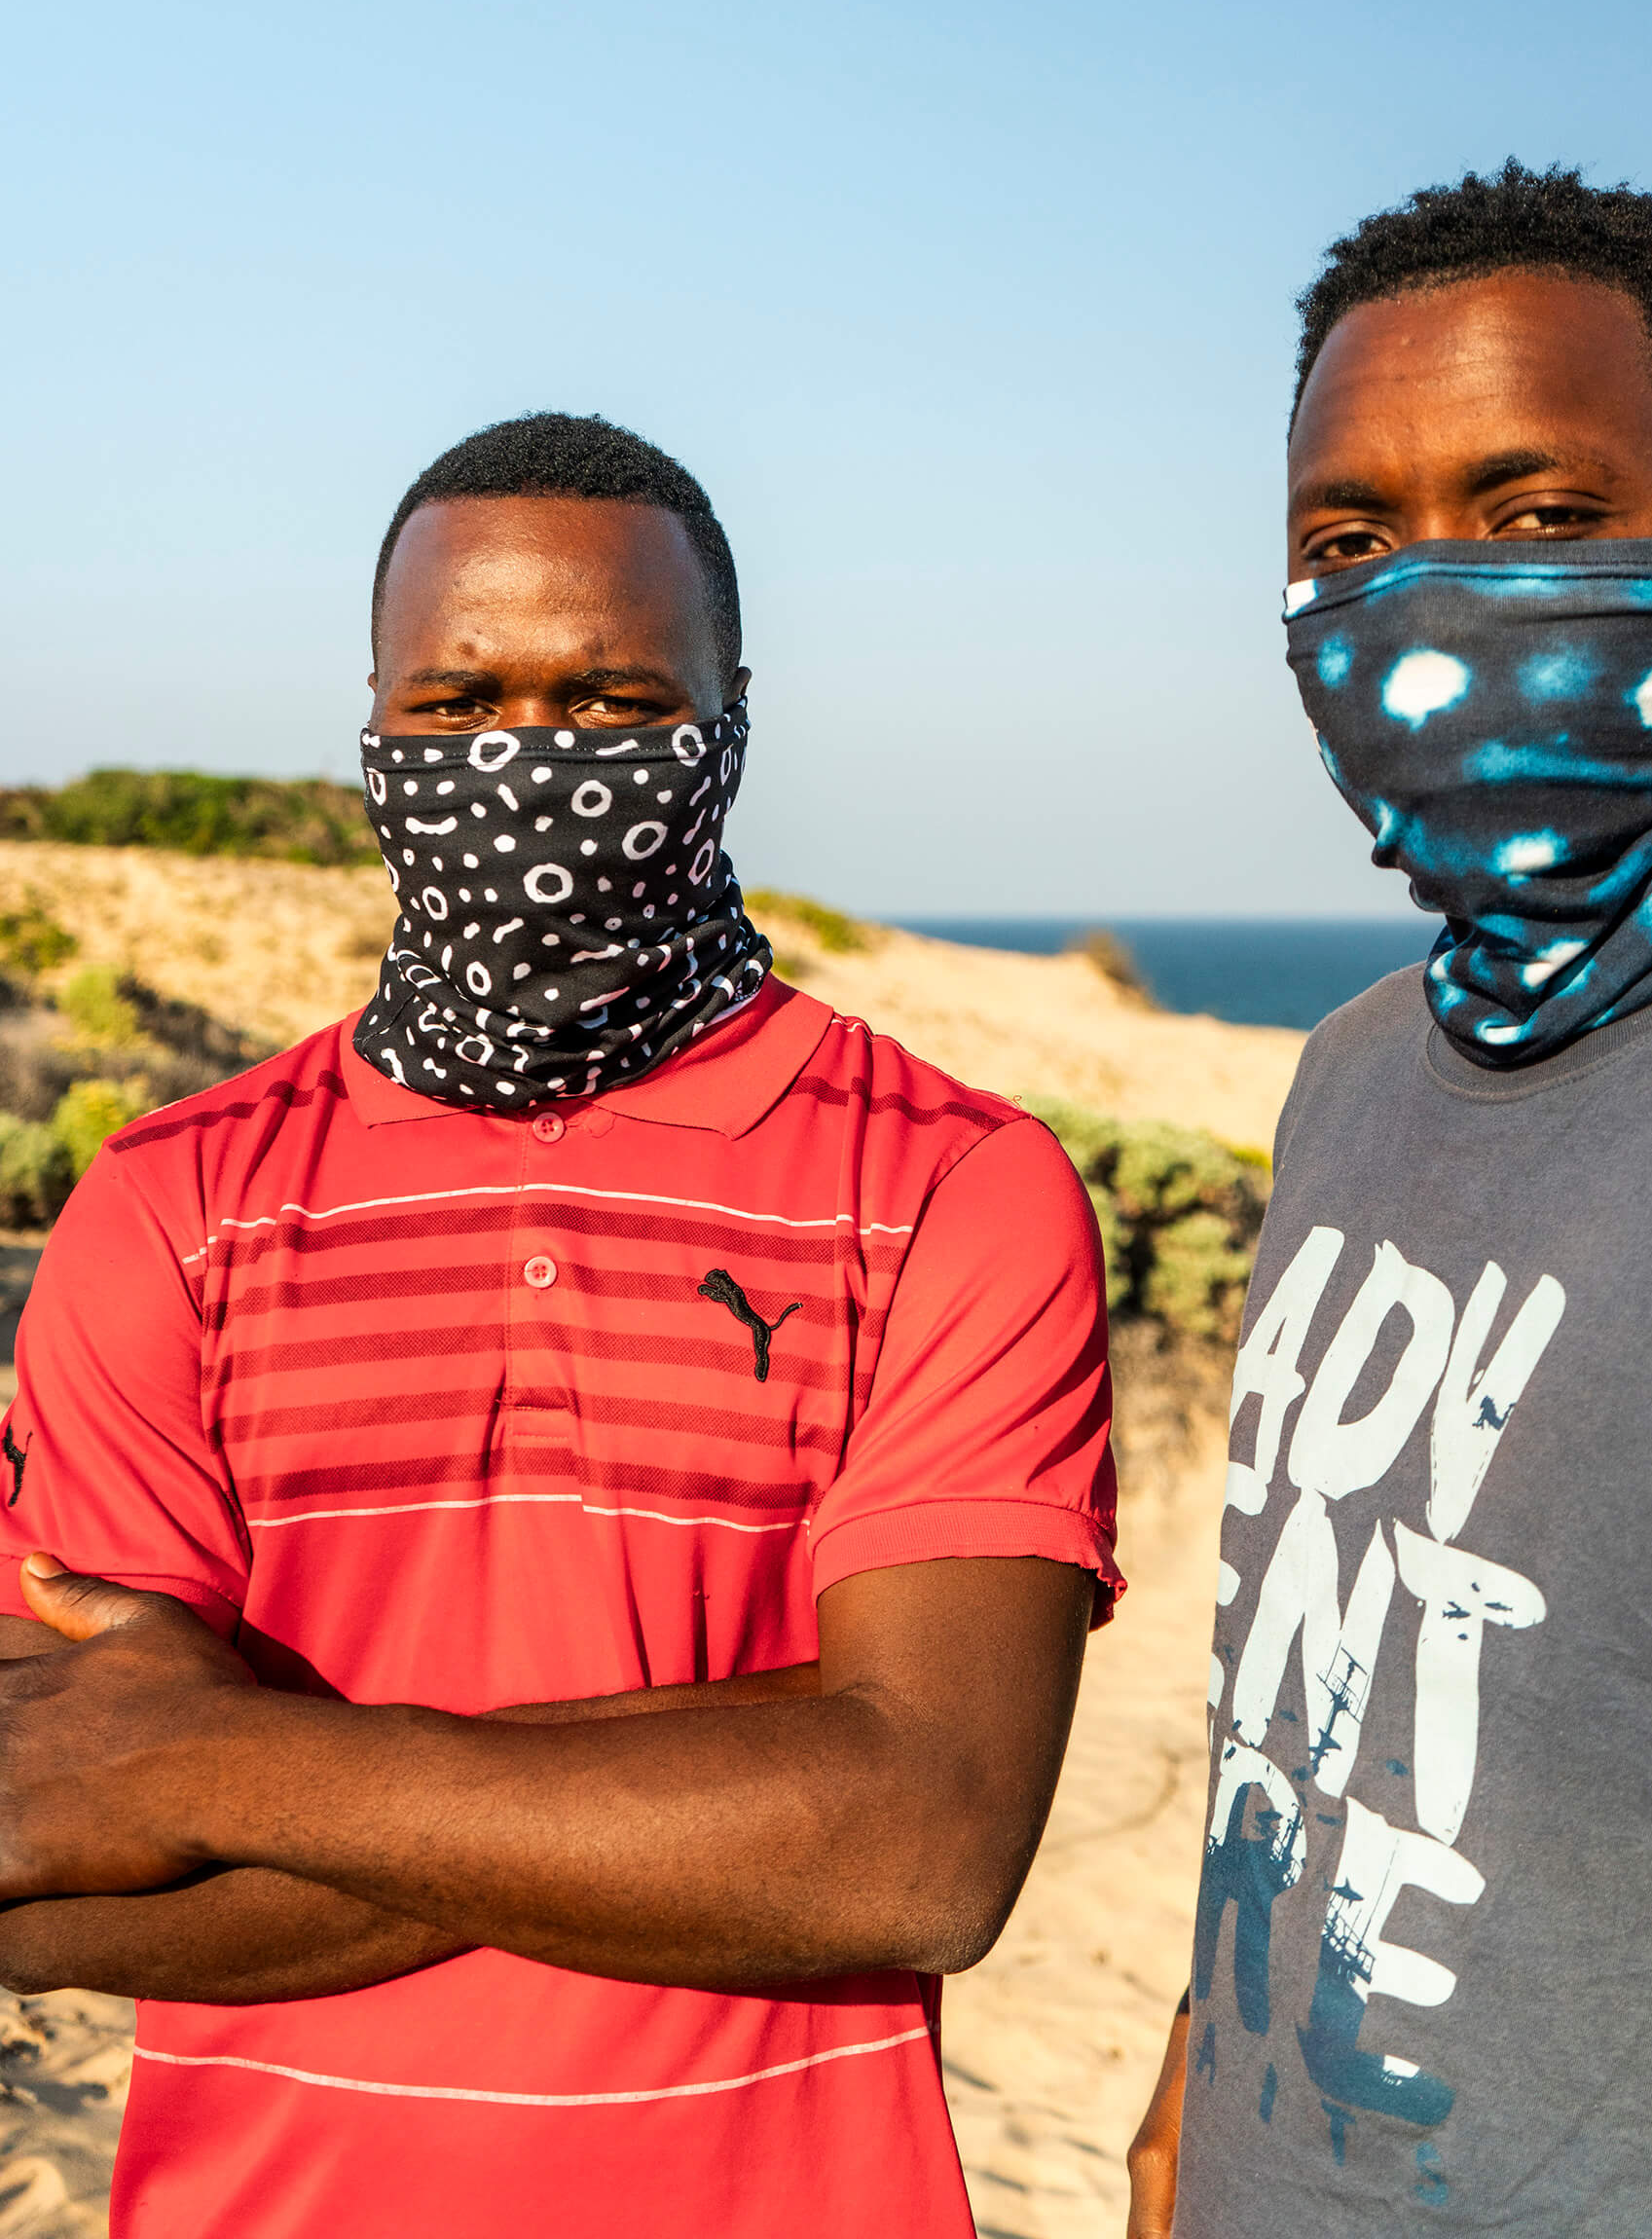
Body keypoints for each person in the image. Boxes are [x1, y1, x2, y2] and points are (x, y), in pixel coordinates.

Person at [0, 413, 1120, 2239]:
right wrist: (776, 1771)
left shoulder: (950, 1187)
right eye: (455, 710)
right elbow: (47, 1874)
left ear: (729, 715)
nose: (527, 762)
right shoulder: (171, 1203)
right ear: (369, 721)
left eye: (610, 705)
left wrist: (201, 1761)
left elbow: (920, 1847)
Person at [1128, 161, 1652, 2237]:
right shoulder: (1350, 1074)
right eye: (1347, 536)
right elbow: (1311, 1712)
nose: (1424, 603)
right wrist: (1176, 2111)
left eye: (1539, 517)